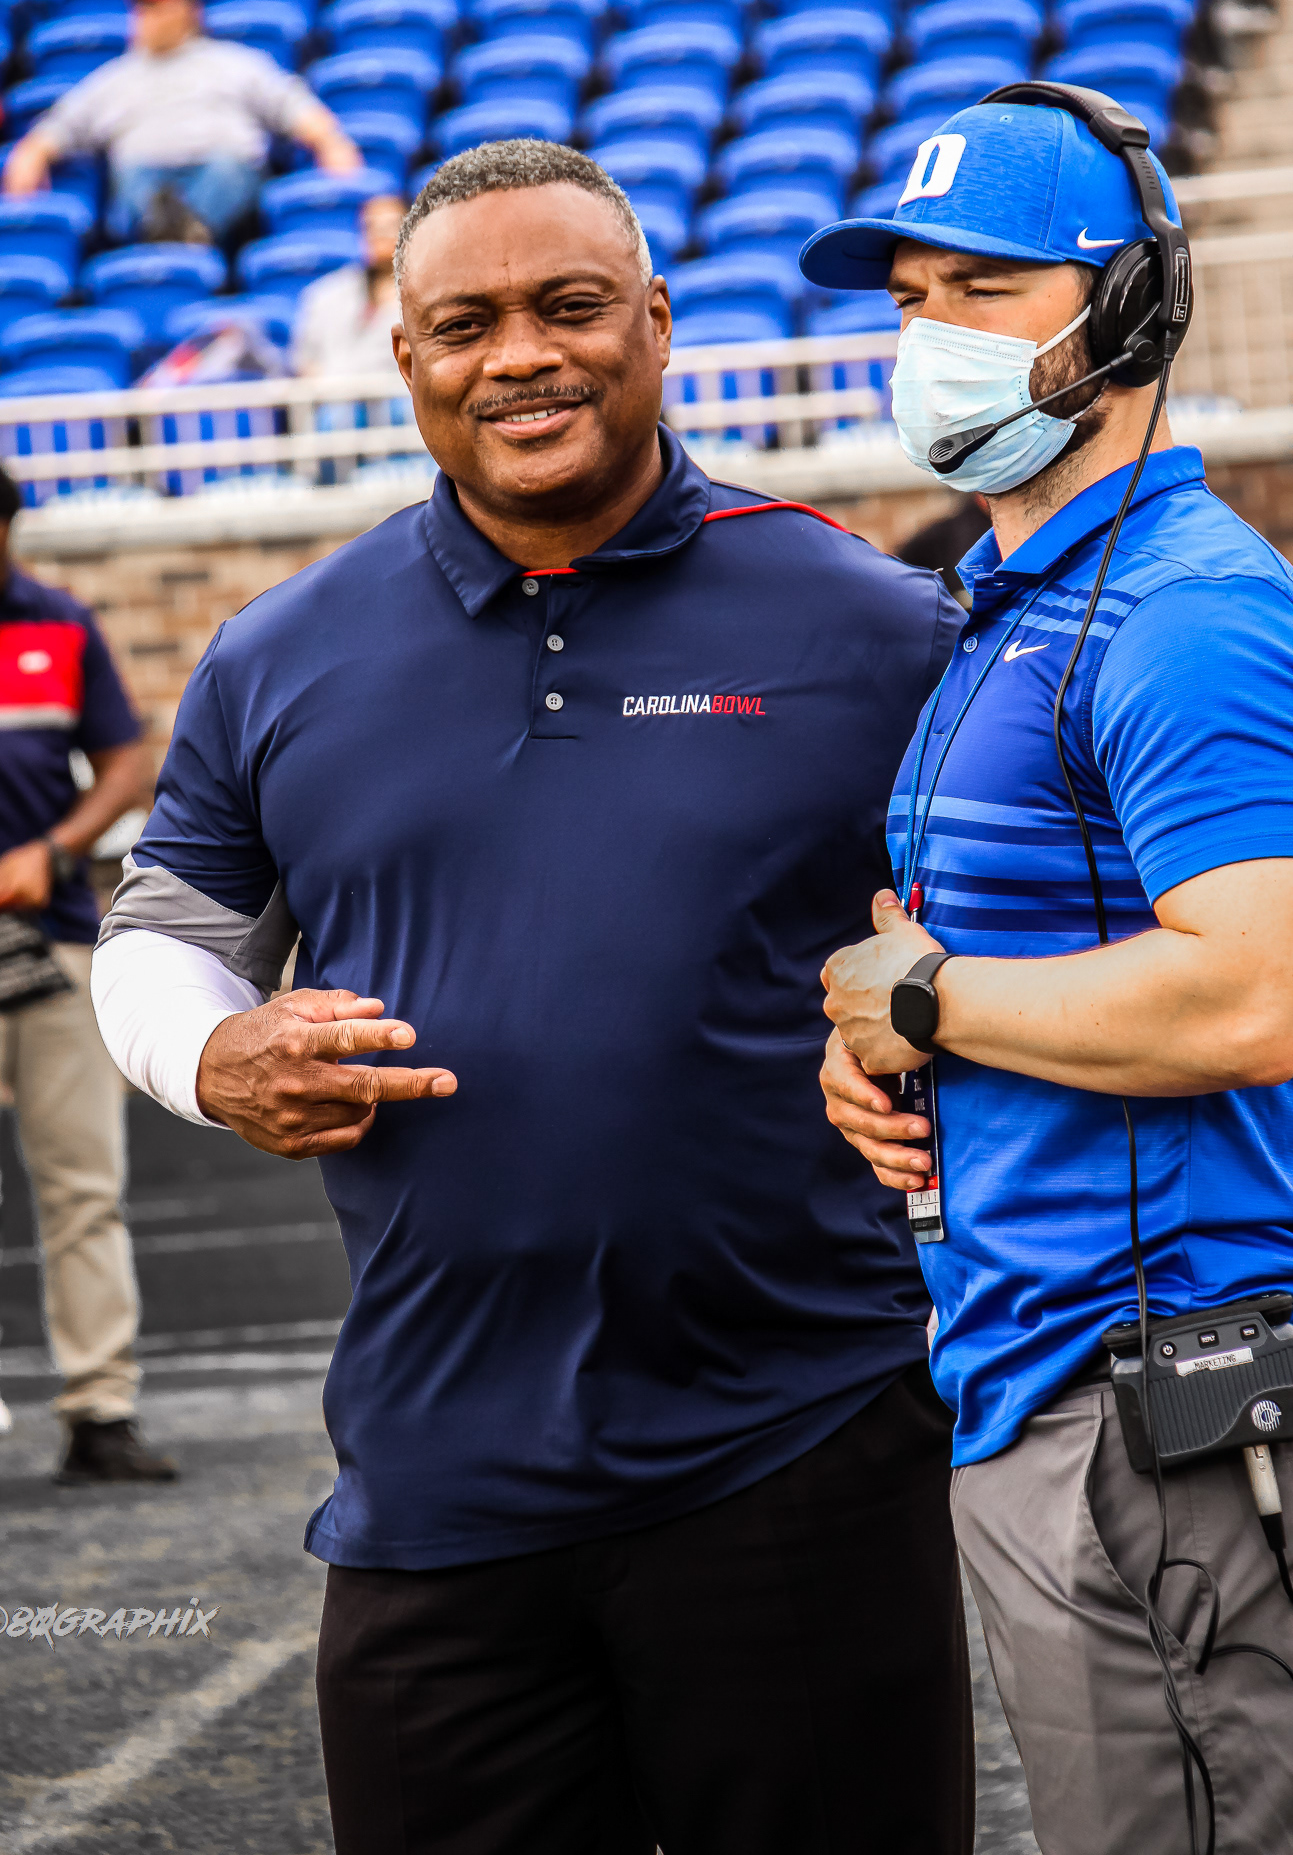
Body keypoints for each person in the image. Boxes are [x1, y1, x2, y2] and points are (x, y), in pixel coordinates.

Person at [91, 138, 972, 1855]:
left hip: (802, 1448)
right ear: (404, 354)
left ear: (657, 321)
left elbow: (1019, 932)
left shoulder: (877, 628)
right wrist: (211, 1052)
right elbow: (165, 926)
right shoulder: (281, 650)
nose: (522, 356)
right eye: (466, 323)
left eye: (570, 306)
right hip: (435, 1477)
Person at [814, 94, 1293, 1854]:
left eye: (986, 287)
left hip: (1155, 1399)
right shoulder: (1014, 600)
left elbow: (1253, 993)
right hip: (1046, 1378)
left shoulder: (1186, 611)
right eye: (910, 297)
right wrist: (890, 1046)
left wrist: (923, 1001)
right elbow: (986, 958)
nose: (931, 334)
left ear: (1132, 309)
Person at [0, 453, 176, 1510]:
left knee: (85, 1185)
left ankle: (100, 1414)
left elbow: (126, 762)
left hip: (59, 935)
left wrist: (58, 847)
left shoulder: (63, 623)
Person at [1, 0, 361, 247]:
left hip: (220, 175)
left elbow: (289, 103)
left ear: (189, 10)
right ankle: (171, 232)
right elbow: (61, 126)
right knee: (134, 179)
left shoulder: (231, 61)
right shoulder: (114, 77)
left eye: (158, 5)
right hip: (145, 178)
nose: (146, 15)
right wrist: (31, 154)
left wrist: (329, 141)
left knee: (226, 169)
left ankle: (185, 233)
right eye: (141, 6)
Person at [291, 190, 405, 377]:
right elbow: (304, 361)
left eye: (390, 226)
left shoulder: (425, 297)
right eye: (370, 226)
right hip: (330, 392)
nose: (379, 235)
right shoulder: (324, 295)